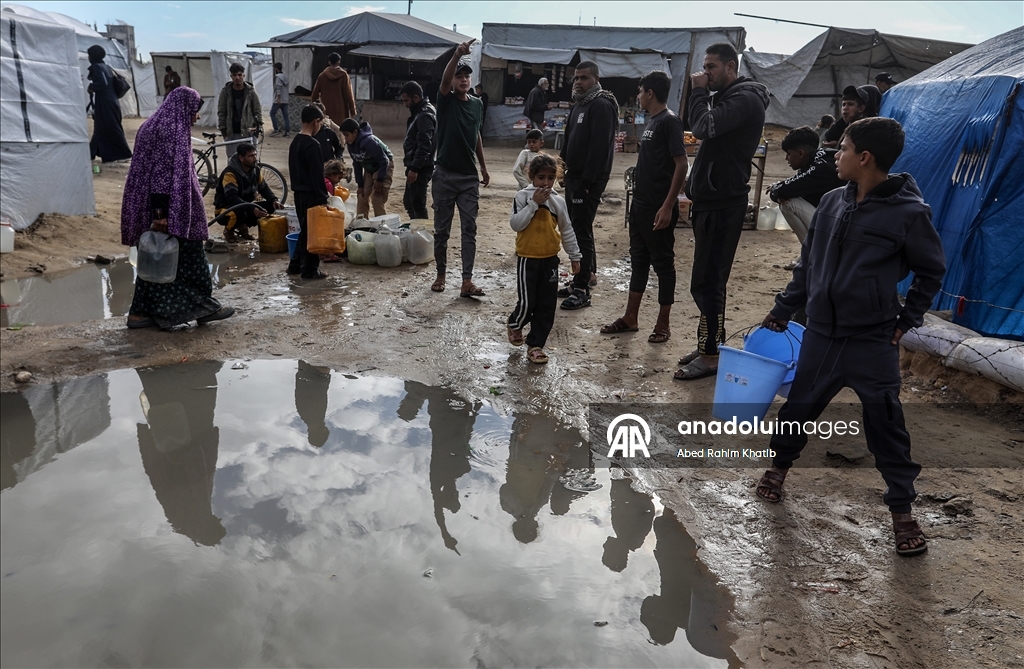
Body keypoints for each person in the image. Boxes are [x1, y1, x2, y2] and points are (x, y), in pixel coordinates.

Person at [756, 117, 946, 558]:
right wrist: (784, 309)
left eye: (841, 148)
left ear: (865, 158)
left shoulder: (909, 213)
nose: (834, 155)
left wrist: (907, 319)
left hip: (872, 338)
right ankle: (778, 470)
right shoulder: (828, 202)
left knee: (885, 422)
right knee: (799, 406)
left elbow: (931, 269)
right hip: (821, 332)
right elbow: (807, 265)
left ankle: (902, 511)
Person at [677, 43, 770, 380]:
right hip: (712, 202)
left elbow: (702, 128)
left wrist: (699, 91)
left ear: (731, 66)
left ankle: (712, 355)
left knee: (708, 283)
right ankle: (709, 344)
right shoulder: (732, 97)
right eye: (705, 66)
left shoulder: (744, 99)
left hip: (723, 205)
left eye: (712, 66)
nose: (706, 72)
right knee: (705, 282)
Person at [120, 87, 234, 329]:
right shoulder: (169, 130)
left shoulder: (155, 125)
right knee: (188, 256)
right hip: (168, 209)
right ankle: (203, 308)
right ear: (183, 107)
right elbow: (161, 176)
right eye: (195, 110)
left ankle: (140, 313)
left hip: (159, 205)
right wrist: (160, 215)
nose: (197, 116)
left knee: (155, 258)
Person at [599, 71, 687, 346]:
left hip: (657, 208)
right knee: (638, 260)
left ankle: (663, 323)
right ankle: (630, 317)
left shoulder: (669, 121)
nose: (638, 97)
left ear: (650, 93)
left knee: (663, 264)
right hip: (640, 205)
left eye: (640, 92)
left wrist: (668, 206)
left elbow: (682, 165)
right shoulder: (652, 122)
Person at [507, 154, 582, 364]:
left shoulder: (558, 200)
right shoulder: (522, 197)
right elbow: (516, 224)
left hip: (549, 260)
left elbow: (567, 230)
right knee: (527, 302)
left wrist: (575, 256)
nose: (546, 183)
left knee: (547, 306)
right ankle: (515, 323)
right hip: (527, 259)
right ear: (532, 176)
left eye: (550, 178)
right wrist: (533, 204)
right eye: (541, 177)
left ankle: (535, 345)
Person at [431, 41, 490, 297]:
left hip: (468, 177)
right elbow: (444, 81)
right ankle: (441, 274)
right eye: (459, 76)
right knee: (441, 231)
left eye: (467, 76)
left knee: (469, 229)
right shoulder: (445, 101)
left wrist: (484, 167)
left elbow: (476, 133)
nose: (463, 79)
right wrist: (457, 54)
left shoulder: (477, 104)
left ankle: (467, 281)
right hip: (444, 175)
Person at [558, 59, 618, 310]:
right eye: (576, 78)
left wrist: (587, 182)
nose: (579, 83)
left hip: (587, 182)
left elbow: (600, 147)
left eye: (584, 78)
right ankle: (585, 275)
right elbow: (568, 140)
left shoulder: (601, 105)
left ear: (596, 78)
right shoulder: (578, 106)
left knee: (580, 232)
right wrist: (560, 170)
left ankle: (581, 289)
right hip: (572, 178)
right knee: (578, 228)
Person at [768, 126, 845, 269]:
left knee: (789, 203)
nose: (786, 158)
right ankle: (810, 253)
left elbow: (783, 191)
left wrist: (776, 190)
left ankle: (811, 254)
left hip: (838, 227)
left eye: (789, 154)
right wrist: (779, 190)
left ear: (801, 153)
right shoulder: (819, 159)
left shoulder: (820, 168)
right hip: (835, 220)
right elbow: (791, 185)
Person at [286, 105, 331, 280]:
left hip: (298, 194)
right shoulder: (313, 145)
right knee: (312, 233)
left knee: (304, 232)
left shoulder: (295, 142)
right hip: (311, 195)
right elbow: (316, 176)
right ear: (316, 122)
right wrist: (323, 198)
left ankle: (295, 265)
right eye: (320, 123)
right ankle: (310, 270)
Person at [213, 142, 283, 242]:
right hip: (226, 209)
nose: (255, 159)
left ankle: (242, 226)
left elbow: (264, 188)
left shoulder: (255, 170)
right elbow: (232, 198)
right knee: (236, 213)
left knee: (271, 207)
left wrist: (273, 200)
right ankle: (228, 231)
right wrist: (252, 209)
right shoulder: (230, 173)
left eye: (255, 155)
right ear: (241, 158)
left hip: (245, 206)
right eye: (251, 156)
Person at [339, 119, 394, 219]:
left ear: (355, 132)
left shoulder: (368, 142)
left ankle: (381, 225)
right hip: (369, 168)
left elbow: (384, 161)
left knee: (377, 197)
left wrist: (379, 179)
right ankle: (362, 223)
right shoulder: (351, 144)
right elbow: (357, 164)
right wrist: (360, 184)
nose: (345, 139)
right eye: (344, 135)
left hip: (384, 166)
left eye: (346, 135)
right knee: (362, 195)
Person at [86, 45, 132, 163]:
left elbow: (102, 83)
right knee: (101, 127)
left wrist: (92, 87)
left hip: (105, 102)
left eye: (89, 55)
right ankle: (91, 152)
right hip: (112, 101)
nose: (88, 57)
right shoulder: (106, 67)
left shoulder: (96, 67)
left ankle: (123, 153)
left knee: (110, 127)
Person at [401, 81, 437, 220]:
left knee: (417, 205)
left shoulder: (424, 115)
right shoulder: (422, 113)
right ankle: (416, 232)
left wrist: (415, 168)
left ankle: (422, 235)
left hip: (421, 168)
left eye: (406, 100)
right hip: (417, 165)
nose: (405, 104)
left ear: (416, 98)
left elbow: (424, 144)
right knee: (410, 203)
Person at [217, 63, 262, 159]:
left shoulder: (251, 92)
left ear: (243, 75)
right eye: (234, 75)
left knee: (250, 161)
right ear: (231, 76)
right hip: (232, 133)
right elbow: (222, 112)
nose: (237, 78)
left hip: (248, 133)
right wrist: (224, 132)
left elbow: (257, 111)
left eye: (239, 75)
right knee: (233, 161)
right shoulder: (225, 92)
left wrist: (257, 131)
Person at [310, 52, 357, 127]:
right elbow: (349, 95)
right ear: (339, 62)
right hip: (341, 112)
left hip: (326, 112)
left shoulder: (322, 76)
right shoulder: (344, 76)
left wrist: (316, 109)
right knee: (340, 134)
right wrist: (353, 111)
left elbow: (314, 95)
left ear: (329, 62)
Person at [270, 62, 290, 138]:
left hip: (279, 100)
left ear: (276, 68)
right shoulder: (285, 77)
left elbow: (278, 87)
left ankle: (276, 129)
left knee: (272, 113)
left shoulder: (278, 77)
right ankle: (287, 132)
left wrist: (278, 99)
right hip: (285, 99)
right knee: (285, 116)